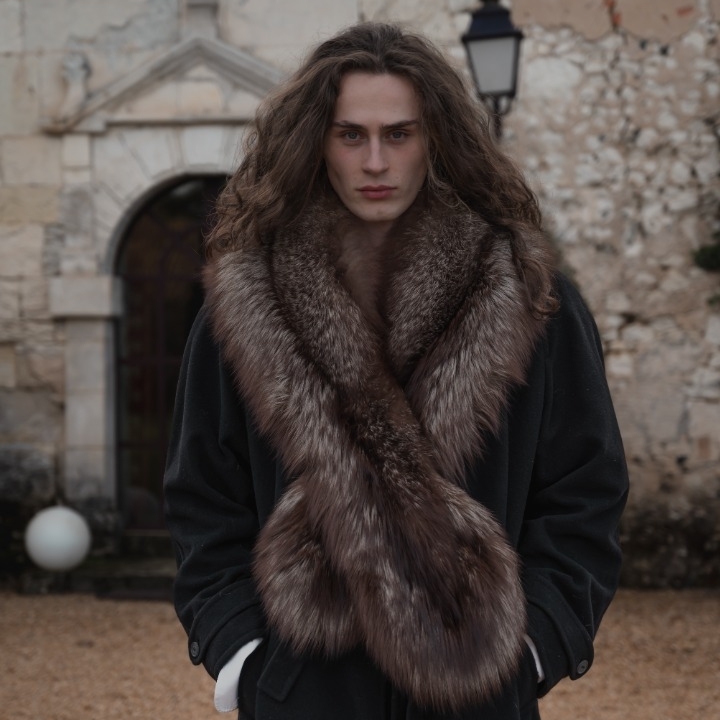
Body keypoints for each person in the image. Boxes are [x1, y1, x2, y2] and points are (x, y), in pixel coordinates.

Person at [163, 22, 629, 720]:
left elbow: (585, 491)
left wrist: (533, 650)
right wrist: (245, 658)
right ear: (316, 142)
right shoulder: (243, 304)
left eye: (399, 134)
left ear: (435, 138)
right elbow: (202, 495)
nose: (375, 161)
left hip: (476, 691)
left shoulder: (533, 300)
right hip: (305, 692)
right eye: (351, 135)